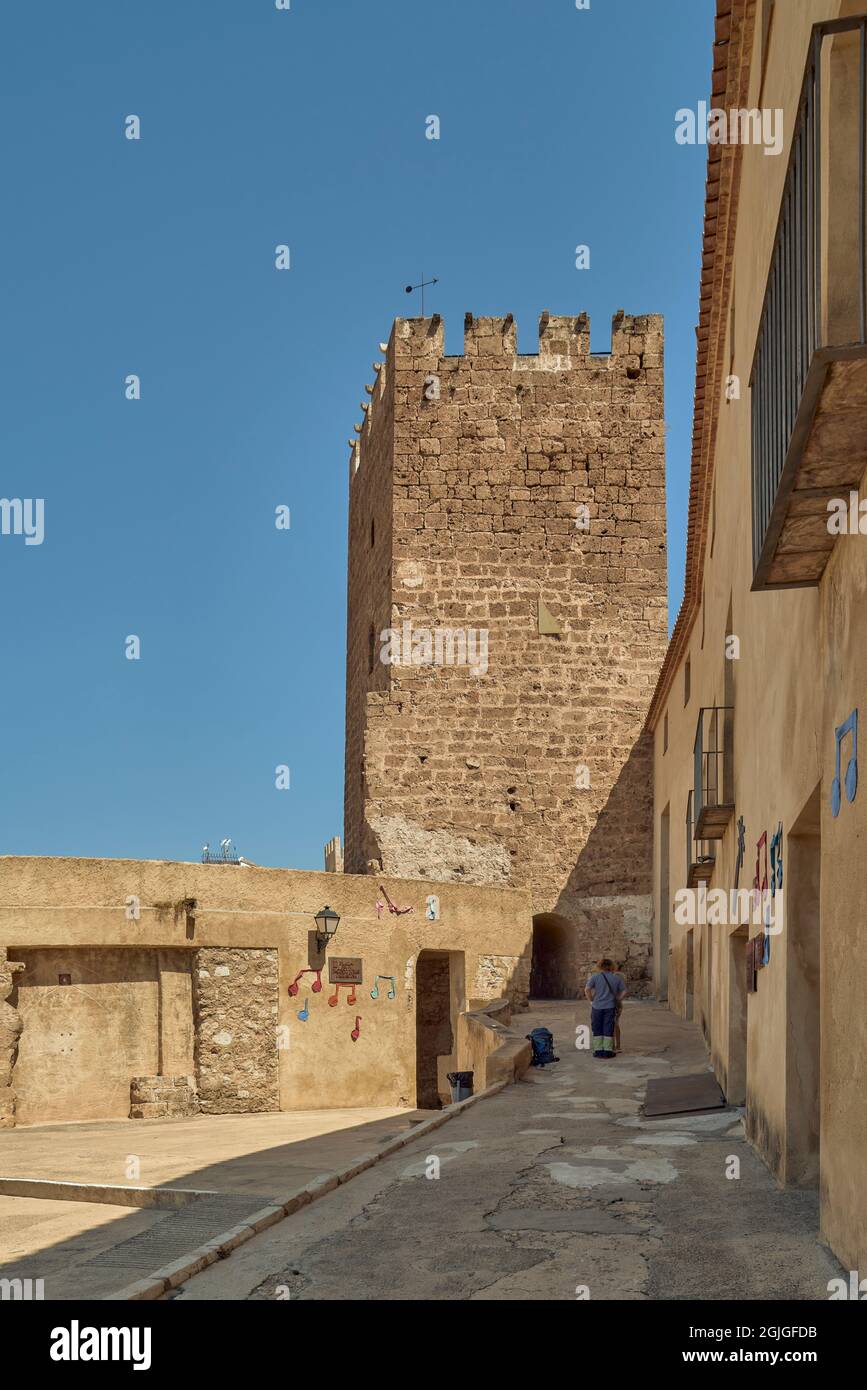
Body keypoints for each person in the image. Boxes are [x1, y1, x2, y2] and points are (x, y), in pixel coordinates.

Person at [584, 957, 626, 1058]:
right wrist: (618, 999)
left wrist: (591, 1001)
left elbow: (587, 989)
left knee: (597, 1027)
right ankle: (608, 1051)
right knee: (608, 1027)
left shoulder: (595, 977)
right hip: (610, 1006)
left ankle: (598, 1050)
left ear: (600, 966)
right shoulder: (616, 978)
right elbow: (624, 991)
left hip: (597, 1006)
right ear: (612, 966)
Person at [612, 960, 627, 1054]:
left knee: (612, 1024)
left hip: (613, 1002)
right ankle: (618, 1045)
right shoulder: (623, 976)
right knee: (615, 1023)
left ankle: (615, 1046)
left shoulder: (616, 976)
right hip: (619, 1002)